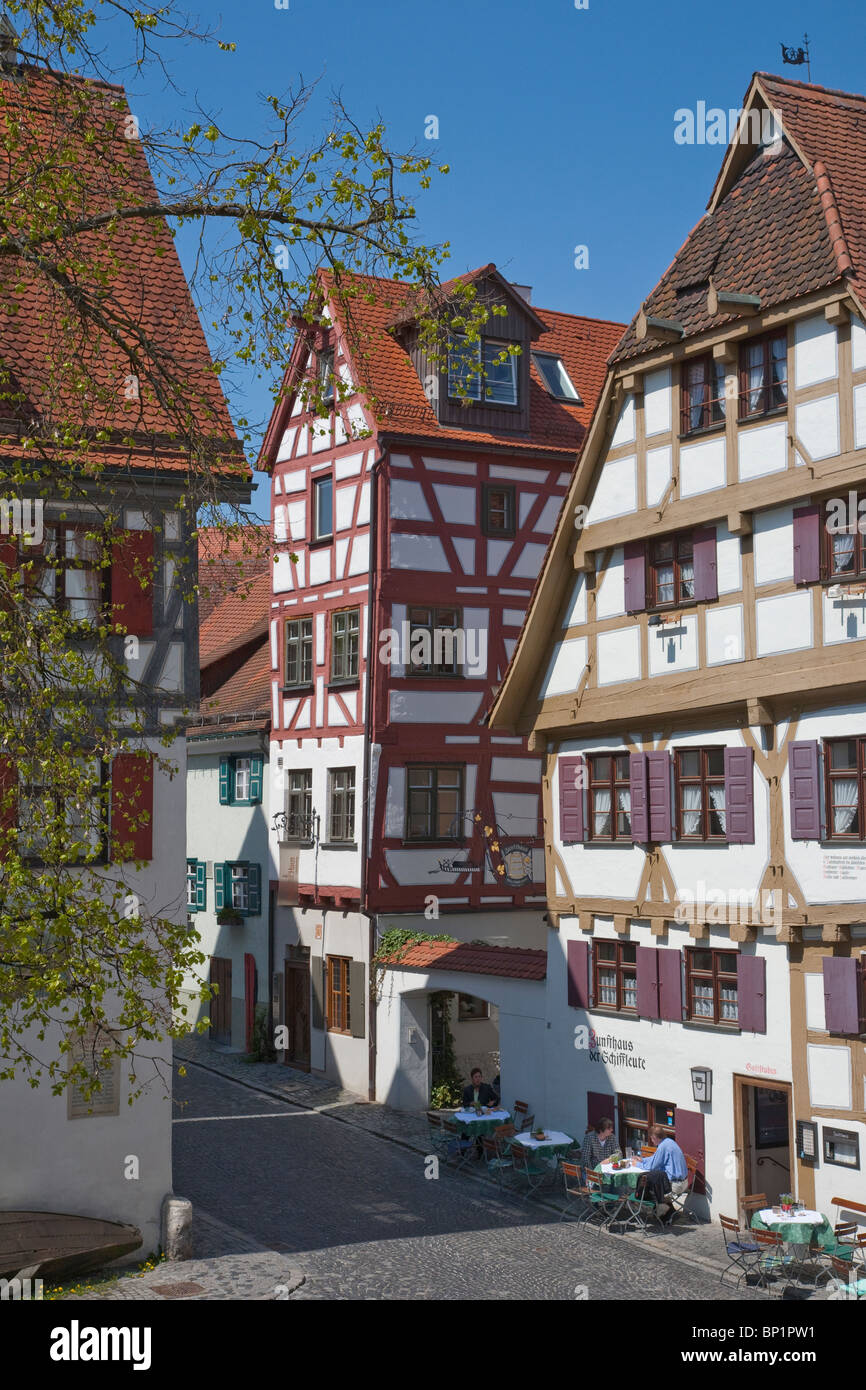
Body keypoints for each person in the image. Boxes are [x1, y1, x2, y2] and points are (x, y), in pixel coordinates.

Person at [637, 1125, 688, 1222]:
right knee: (656, 1179)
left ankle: (664, 1212)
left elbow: (653, 1166)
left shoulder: (663, 1146)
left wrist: (638, 1164)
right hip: (683, 1182)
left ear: (655, 1137)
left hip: (676, 1185)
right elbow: (655, 1159)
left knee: (651, 1182)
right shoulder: (669, 1142)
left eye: (652, 1139)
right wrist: (642, 1160)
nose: (652, 1141)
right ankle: (666, 1211)